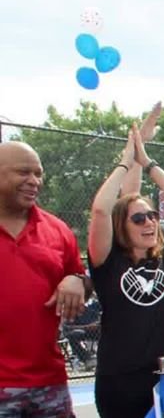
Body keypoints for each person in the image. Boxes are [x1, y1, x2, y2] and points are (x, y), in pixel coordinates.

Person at [88, 116, 164, 418]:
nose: (148, 222)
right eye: (138, 218)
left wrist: (146, 161)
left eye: (151, 216)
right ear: (122, 226)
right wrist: (125, 161)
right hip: (120, 382)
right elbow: (100, 209)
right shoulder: (109, 262)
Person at [0, 141, 89, 418]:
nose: (34, 181)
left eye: (38, 174)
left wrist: (77, 279)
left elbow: (82, 281)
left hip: (49, 383)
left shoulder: (58, 230)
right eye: (23, 172)